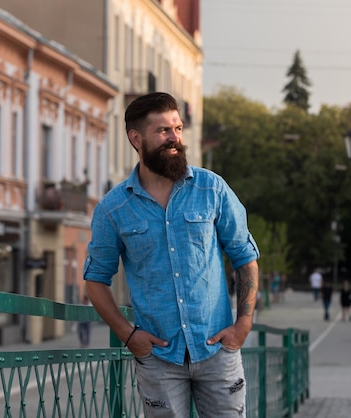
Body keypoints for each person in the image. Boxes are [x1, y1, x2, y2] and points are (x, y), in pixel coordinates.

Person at [83, 92, 260, 417]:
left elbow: (244, 255)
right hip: (159, 358)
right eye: (163, 131)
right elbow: (95, 279)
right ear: (136, 138)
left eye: (177, 129)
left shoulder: (212, 189)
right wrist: (128, 335)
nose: (174, 138)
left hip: (217, 350)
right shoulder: (113, 209)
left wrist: (243, 325)